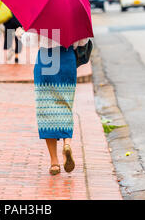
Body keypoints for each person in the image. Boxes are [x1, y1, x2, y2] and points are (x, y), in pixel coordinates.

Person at [15, 27, 90, 175]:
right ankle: (67, 144)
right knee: (66, 105)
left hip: (45, 60)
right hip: (67, 59)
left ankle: (54, 163)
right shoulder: (72, 15)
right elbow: (83, 41)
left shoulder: (42, 15)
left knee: (46, 110)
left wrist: (20, 34)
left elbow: (31, 40)